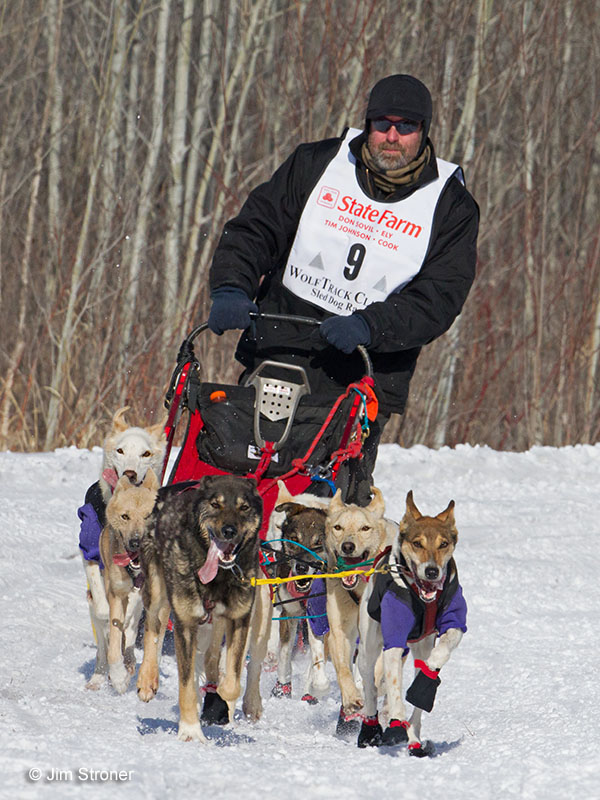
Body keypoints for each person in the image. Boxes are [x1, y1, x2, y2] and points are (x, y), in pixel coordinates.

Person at [207, 74, 479, 504]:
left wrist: (370, 325)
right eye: (382, 123)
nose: (392, 136)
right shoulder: (317, 163)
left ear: (424, 132)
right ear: (367, 124)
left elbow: (439, 298)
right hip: (279, 348)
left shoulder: (451, 206)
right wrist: (230, 287)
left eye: (406, 126)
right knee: (246, 489)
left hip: (363, 373)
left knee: (330, 508)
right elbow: (255, 230)